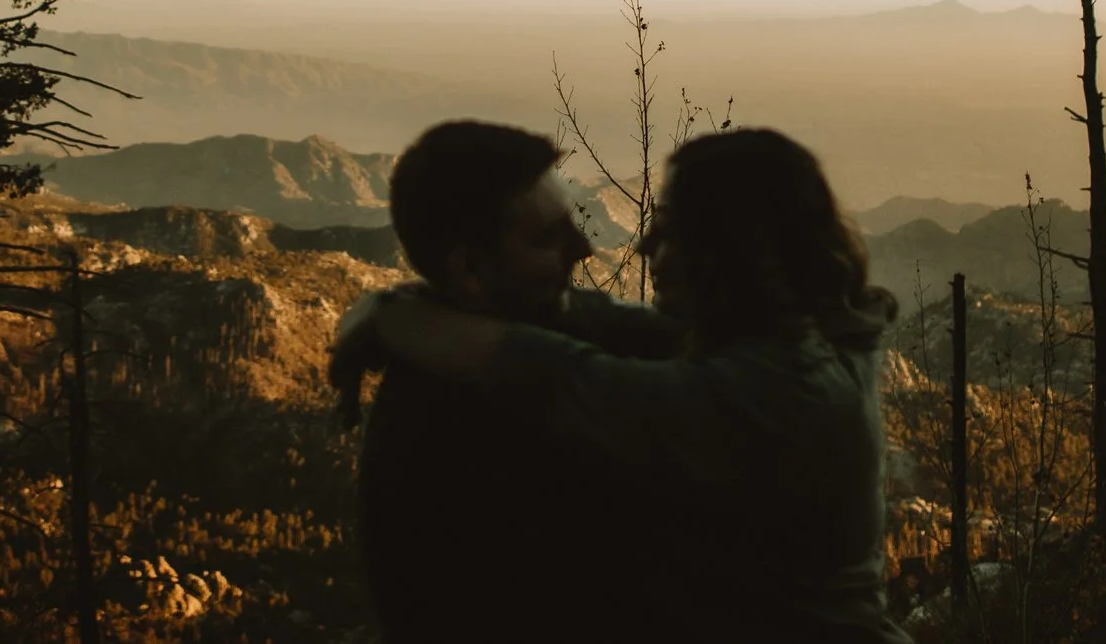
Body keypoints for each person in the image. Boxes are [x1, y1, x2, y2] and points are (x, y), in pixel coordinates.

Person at [333, 127, 909, 644]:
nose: (639, 245)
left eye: (671, 230)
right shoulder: (818, 334)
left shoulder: (774, 396)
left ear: (733, 257)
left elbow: (554, 367)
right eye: (546, 236)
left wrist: (391, 315)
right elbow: (611, 323)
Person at [344, 120, 677, 644]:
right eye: (547, 237)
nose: (584, 249)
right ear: (471, 272)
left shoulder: (484, 338)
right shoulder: (467, 427)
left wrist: (388, 310)